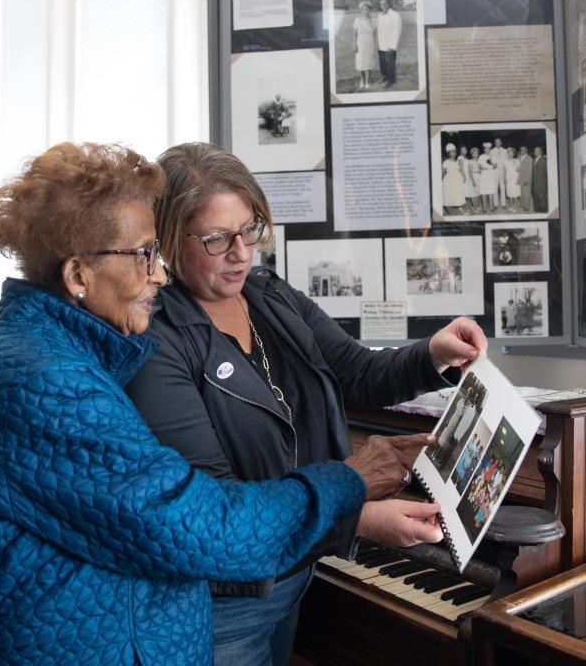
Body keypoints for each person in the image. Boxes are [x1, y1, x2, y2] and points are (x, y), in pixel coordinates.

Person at [0, 142, 431, 666]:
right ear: (78, 276)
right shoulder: (45, 383)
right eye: (145, 254)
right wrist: (350, 483)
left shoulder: (57, 354)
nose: (159, 274)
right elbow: (204, 525)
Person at [125, 142, 488, 666]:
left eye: (250, 229)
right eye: (216, 238)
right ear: (166, 238)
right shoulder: (157, 339)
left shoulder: (270, 297)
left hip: (297, 570)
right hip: (221, 604)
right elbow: (218, 506)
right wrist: (357, 515)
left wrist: (433, 353)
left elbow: (358, 373)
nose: (241, 252)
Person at [377, 0, 403, 87]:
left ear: (389, 4)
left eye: (385, 3)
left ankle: (391, 80)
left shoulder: (395, 15)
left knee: (390, 64)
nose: (383, 5)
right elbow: (380, 30)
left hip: (390, 45)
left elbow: (397, 31)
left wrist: (392, 46)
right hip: (381, 45)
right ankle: (384, 77)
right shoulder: (380, 15)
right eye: (381, 4)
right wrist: (379, 44)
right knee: (382, 63)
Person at [352, 0, 378, 89]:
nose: (365, 11)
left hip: (369, 42)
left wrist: (375, 45)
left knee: (369, 61)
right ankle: (362, 79)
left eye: (367, 10)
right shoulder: (357, 20)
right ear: (361, 11)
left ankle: (368, 80)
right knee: (361, 61)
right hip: (360, 42)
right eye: (363, 10)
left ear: (370, 10)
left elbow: (375, 34)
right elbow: (355, 34)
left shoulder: (374, 20)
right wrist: (354, 44)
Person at [531, 143, 549, 214]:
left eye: (537, 150)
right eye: (535, 151)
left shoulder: (544, 160)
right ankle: (537, 210)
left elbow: (547, 172)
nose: (536, 152)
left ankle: (543, 211)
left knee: (542, 198)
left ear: (541, 152)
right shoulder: (534, 159)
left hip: (542, 183)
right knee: (535, 197)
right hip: (535, 183)